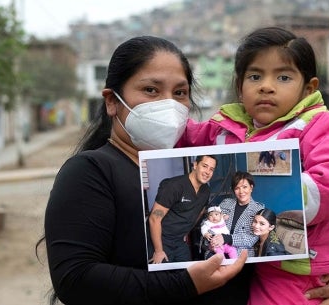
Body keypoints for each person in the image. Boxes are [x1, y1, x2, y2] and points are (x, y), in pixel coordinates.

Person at [35, 35, 248, 305]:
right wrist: (185, 284)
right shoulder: (90, 172)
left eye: (180, 93)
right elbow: (75, 279)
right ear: (112, 101)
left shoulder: (194, 184)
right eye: (151, 90)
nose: (168, 104)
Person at [178, 26, 329, 305]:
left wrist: (274, 193)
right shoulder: (226, 126)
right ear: (240, 87)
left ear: (308, 87)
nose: (266, 85)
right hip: (248, 255)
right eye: (255, 76)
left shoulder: (322, 126)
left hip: (294, 268)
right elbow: (183, 137)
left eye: (284, 76)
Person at [149, 155, 217, 263]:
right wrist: (158, 251)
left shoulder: (206, 191)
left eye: (211, 169)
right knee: (162, 277)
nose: (207, 172)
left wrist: (186, 231)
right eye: (205, 166)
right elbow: (154, 219)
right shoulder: (174, 186)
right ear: (195, 165)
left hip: (180, 242)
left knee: (186, 275)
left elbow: (199, 213)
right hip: (161, 240)